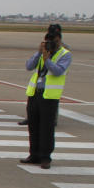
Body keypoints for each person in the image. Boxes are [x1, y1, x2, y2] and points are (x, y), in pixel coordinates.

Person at [21, 24, 71, 169]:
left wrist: (47, 59)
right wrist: (39, 53)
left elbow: (58, 71)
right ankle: (34, 154)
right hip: (35, 93)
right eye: (47, 40)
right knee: (33, 126)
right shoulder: (42, 52)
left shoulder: (65, 54)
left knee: (46, 128)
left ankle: (45, 157)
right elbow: (29, 66)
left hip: (49, 96)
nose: (50, 43)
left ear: (59, 41)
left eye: (53, 41)